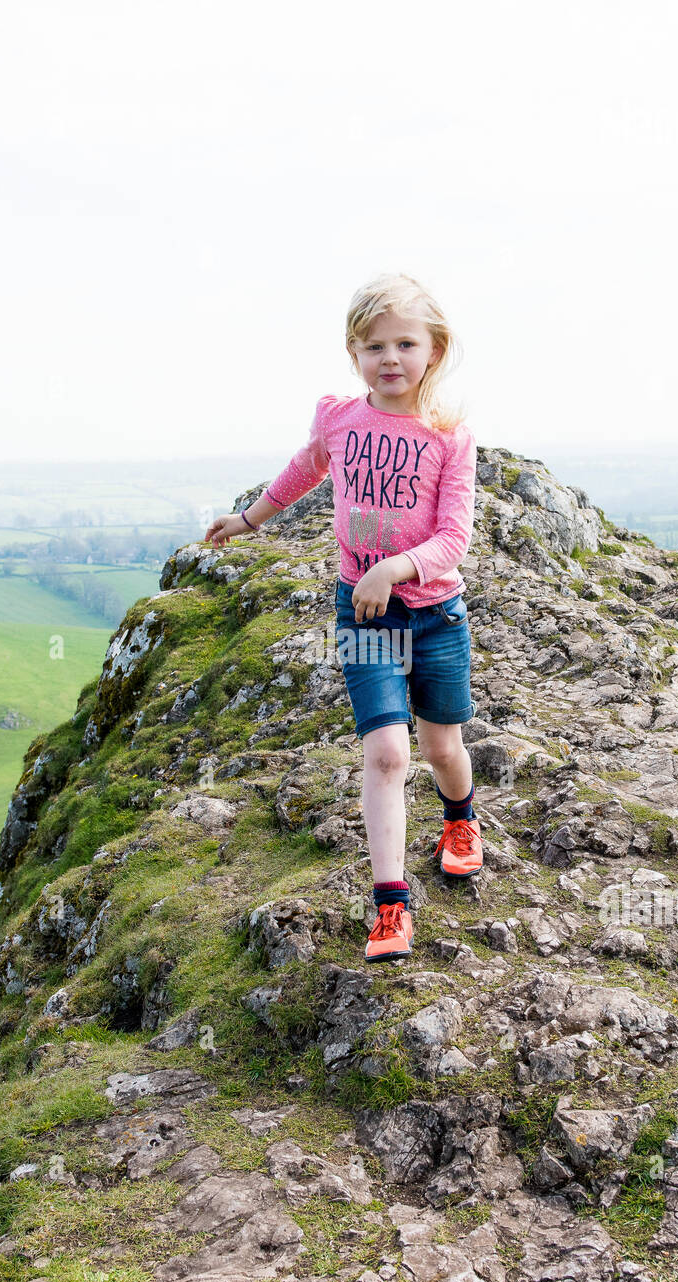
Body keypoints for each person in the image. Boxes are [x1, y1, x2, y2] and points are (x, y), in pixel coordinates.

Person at [205, 271, 481, 964]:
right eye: (372, 346)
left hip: (435, 617)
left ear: (434, 350)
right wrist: (248, 518)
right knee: (386, 752)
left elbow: (453, 538)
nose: (389, 358)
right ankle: (390, 906)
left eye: (404, 344)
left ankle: (459, 821)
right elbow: (305, 469)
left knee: (442, 749)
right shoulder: (338, 417)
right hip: (362, 620)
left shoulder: (449, 435)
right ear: (353, 353)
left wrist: (394, 568)